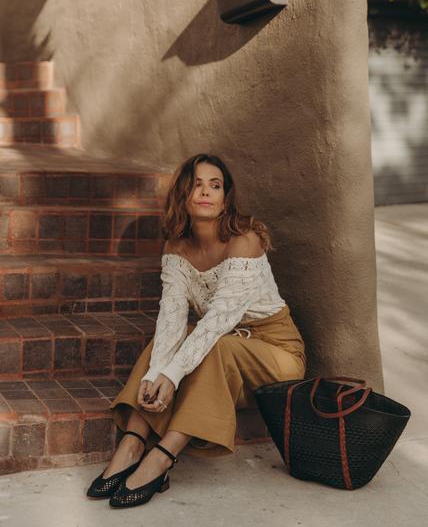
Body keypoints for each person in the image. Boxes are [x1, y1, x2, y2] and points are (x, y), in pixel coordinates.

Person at [86, 153, 307, 508]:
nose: (206, 192)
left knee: (213, 343)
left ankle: (163, 455)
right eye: (197, 184)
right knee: (168, 338)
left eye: (215, 185)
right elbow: (172, 316)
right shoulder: (176, 247)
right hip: (225, 347)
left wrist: (172, 376)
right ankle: (132, 442)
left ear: (225, 198)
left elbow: (220, 318)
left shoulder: (244, 240)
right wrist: (157, 370)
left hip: (275, 354)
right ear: (184, 195)